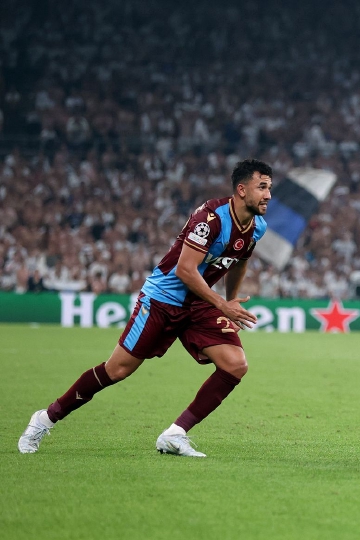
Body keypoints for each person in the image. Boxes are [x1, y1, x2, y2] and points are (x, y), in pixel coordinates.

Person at [18, 159, 271, 457]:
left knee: (235, 364)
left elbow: (238, 261)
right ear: (241, 190)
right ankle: (45, 419)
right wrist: (222, 305)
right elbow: (185, 271)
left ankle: (175, 434)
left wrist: (231, 299)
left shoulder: (257, 226)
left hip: (199, 303)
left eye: (269, 188)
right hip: (162, 300)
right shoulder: (210, 219)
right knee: (117, 370)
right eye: (262, 187)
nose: (268, 195)